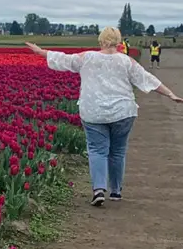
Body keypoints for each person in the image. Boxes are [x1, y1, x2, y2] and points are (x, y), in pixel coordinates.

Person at [26, 27, 182, 206]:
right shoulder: (127, 61)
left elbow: (63, 59)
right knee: (118, 151)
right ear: (118, 42)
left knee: (97, 150)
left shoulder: (87, 57)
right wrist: (170, 94)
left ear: (101, 41)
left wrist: (40, 52)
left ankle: (98, 189)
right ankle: (115, 191)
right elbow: (148, 79)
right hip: (123, 112)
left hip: (94, 111)